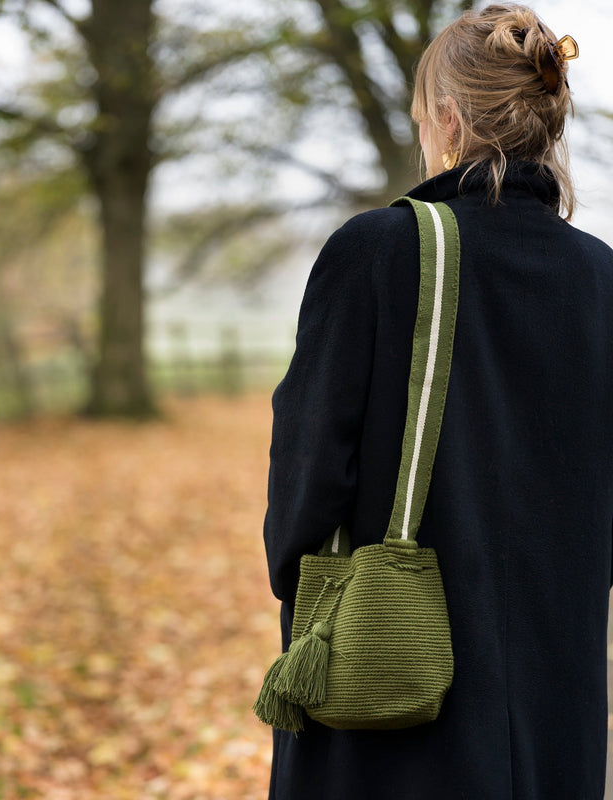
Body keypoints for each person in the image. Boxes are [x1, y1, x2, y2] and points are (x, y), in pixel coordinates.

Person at [261, 4, 613, 799]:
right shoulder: (602, 277)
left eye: (423, 118)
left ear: (448, 121)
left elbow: (309, 465)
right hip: (559, 679)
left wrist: (304, 584)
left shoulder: (378, 250)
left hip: (397, 679)